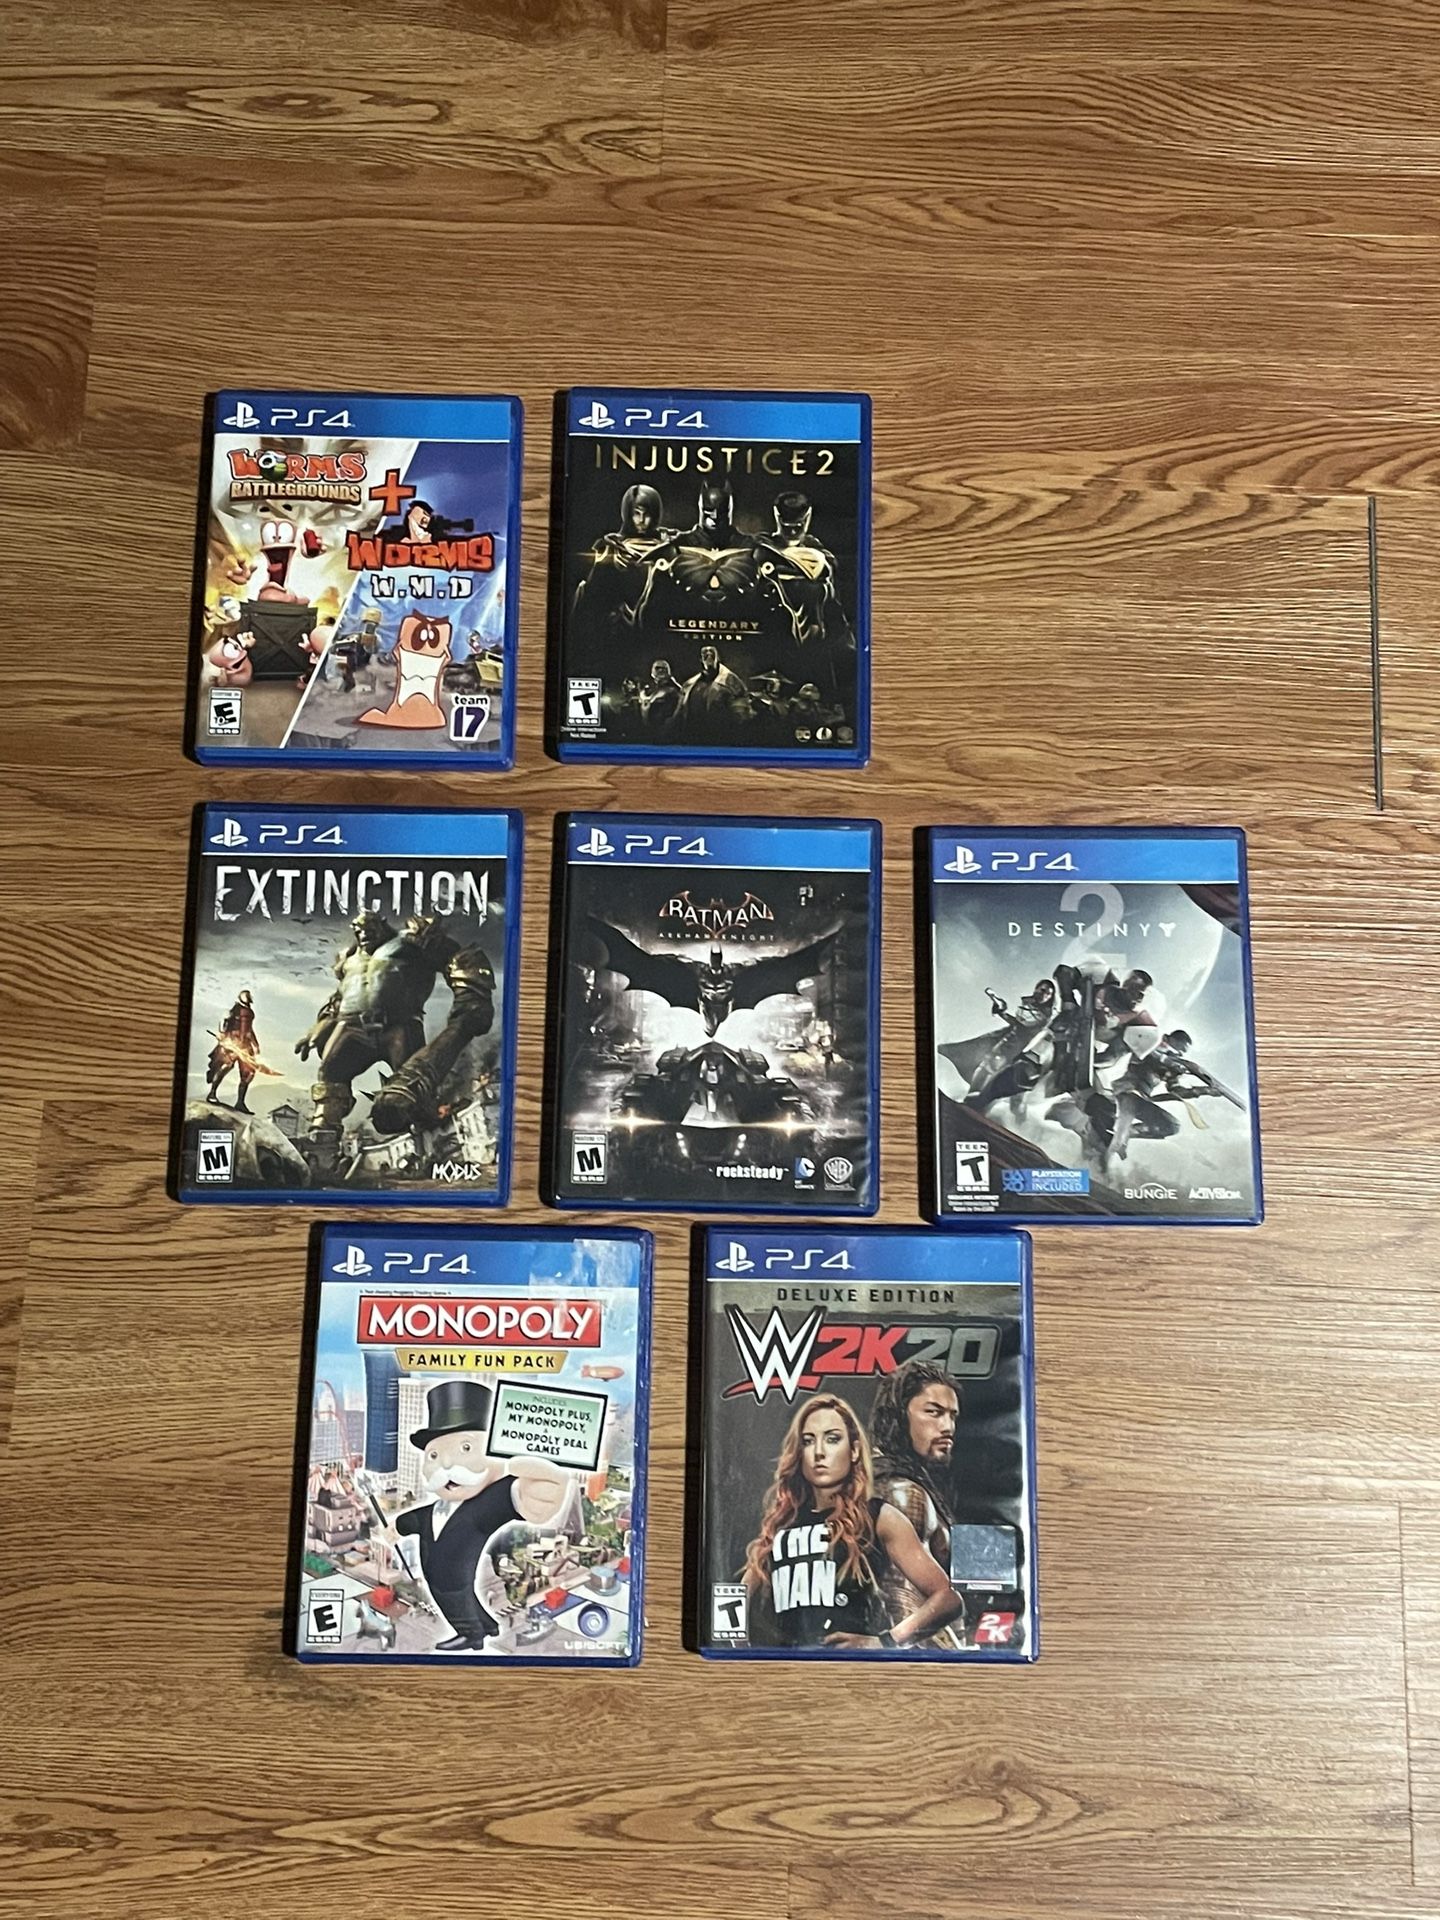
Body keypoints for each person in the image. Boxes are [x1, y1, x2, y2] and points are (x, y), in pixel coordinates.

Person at [740, 1393, 964, 1650]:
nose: (819, 1452)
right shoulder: (783, 1524)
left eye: (832, 1439)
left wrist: (885, 1641)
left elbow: (947, 1598)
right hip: (789, 1664)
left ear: (855, 1450)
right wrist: (738, 1652)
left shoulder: (879, 1516)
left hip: (850, 1665)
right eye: (808, 1441)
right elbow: (734, 1599)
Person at [870, 1359, 967, 1648]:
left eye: (952, 1416)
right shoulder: (901, 1491)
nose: (947, 1427)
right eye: (933, 1412)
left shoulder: (905, 1481)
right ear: (900, 1416)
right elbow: (903, 1601)